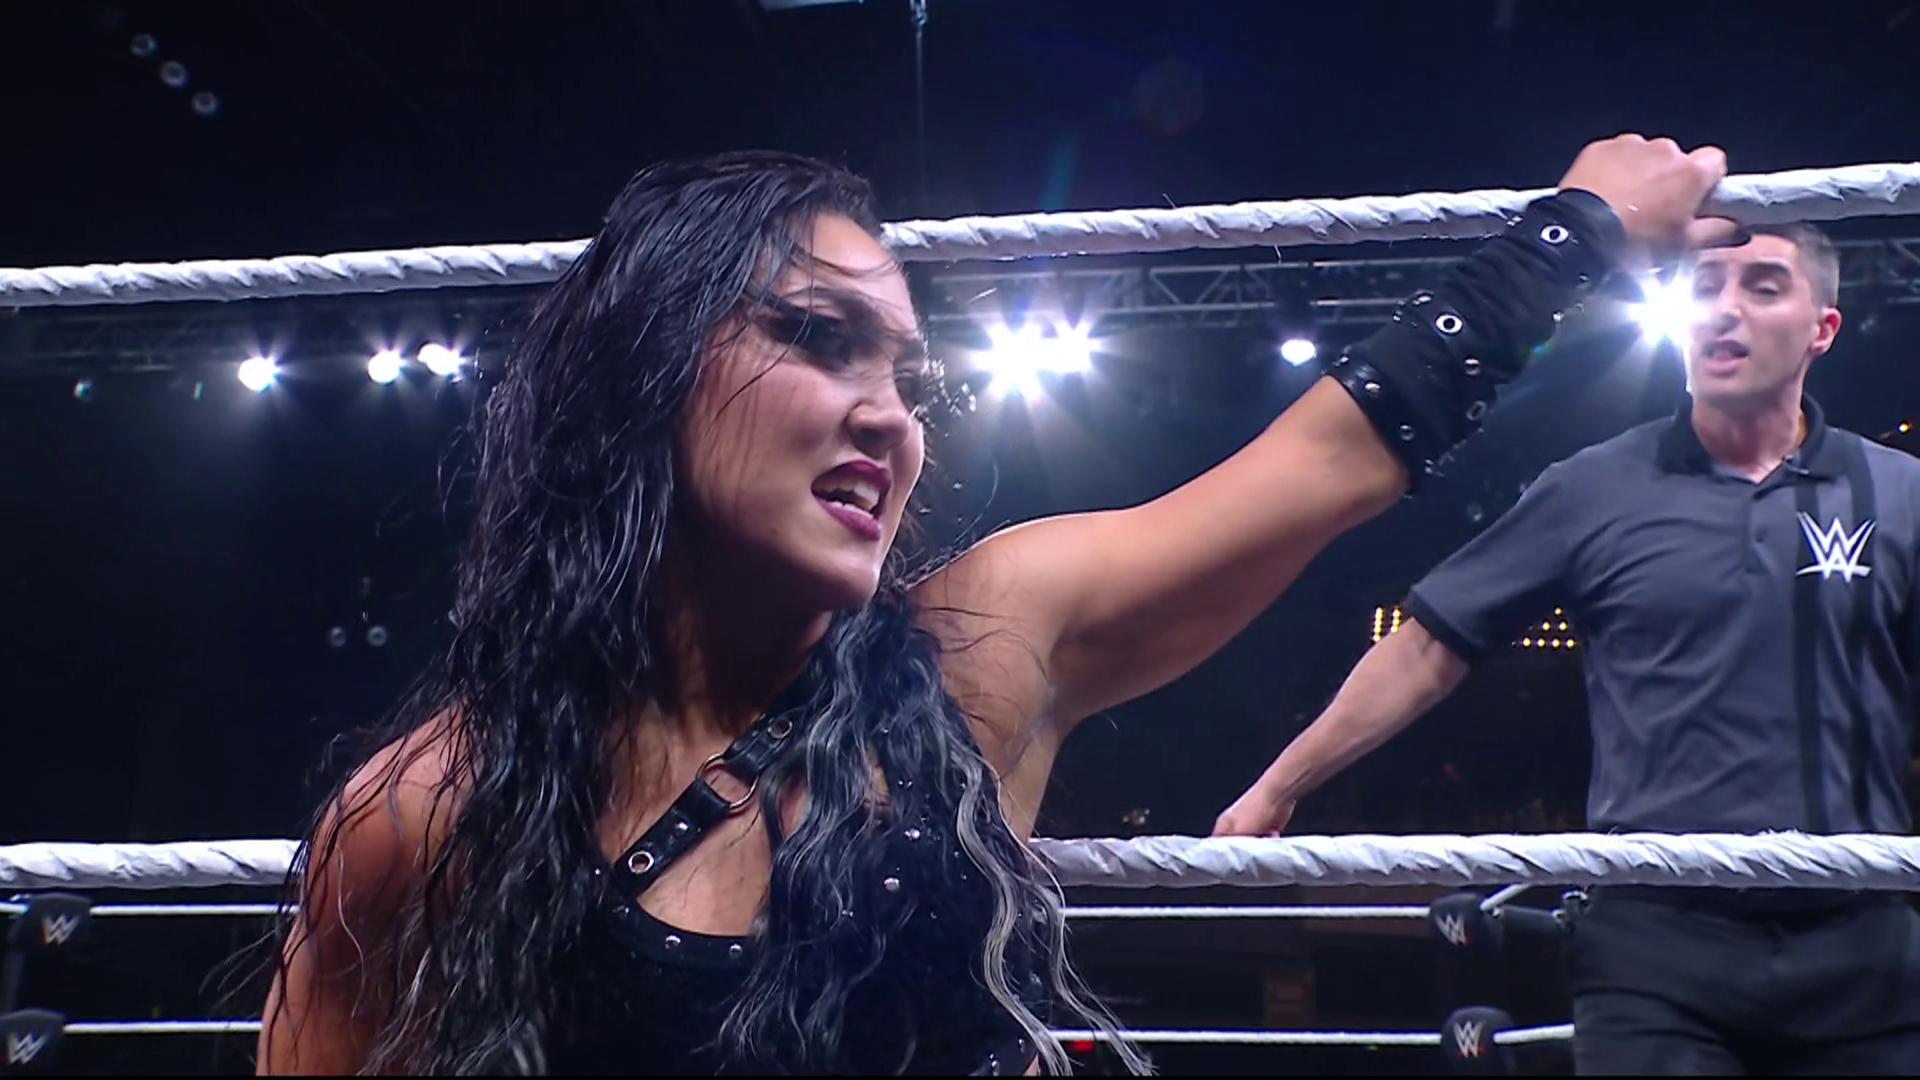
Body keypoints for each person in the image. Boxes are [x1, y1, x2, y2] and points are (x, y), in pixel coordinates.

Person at [255, 136, 1727, 1075]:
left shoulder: (977, 653)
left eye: (905, 376)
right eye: (816, 337)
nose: (888, 416)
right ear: (645, 370)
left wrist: (1574, 235)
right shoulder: (429, 810)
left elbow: (1325, 462)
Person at [1214, 221, 1920, 1073]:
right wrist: (1277, 787)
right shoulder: (1595, 486)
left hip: (1862, 940)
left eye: (1762, 287)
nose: (1723, 309)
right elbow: (1427, 646)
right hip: (1657, 945)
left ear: (1822, 329)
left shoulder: (1897, 492)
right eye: (1704, 287)